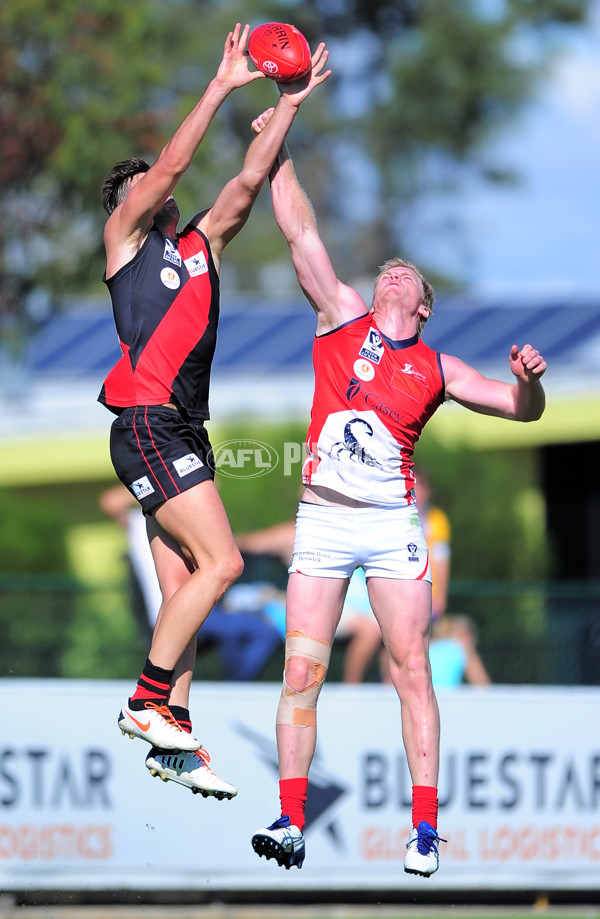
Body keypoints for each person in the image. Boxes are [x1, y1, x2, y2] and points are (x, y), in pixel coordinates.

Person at [248, 111, 547, 876]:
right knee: (301, 670)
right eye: (387, 268)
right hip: (320, 519)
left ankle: (422, 829)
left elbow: (520, 410)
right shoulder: (340, 315)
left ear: (423, 307)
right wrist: (276, 143)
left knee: (409, 666)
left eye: (407, 275)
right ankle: (289, 816)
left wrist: (527, 382)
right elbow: (300, 231)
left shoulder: (439, 367)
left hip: (390, 526)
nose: (393, 271)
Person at [97, 26, 331, 801]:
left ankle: (175, 733)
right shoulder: (127, 242)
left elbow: (247, 176)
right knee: (226, 565)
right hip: (147, 421)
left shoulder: (200, 244)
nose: (158, 191)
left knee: (187, 589)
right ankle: (144, 701)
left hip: (178, 431)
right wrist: (224, 83)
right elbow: (172, 164)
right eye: (144, 188)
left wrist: (287, 103)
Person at [338, 464, 452, 684]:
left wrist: (437, 602)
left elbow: (440, 563)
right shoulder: (390, 516)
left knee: (404, 656)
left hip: (419, 598)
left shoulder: (436, 522)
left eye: (420, 487)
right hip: (393, 595)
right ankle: (354, 688)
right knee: (392, 651)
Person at [428, 614, 492, 688]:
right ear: (466, 635)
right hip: (446, 698)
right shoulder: (462, 648)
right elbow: (484, 686)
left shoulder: (427, 647)